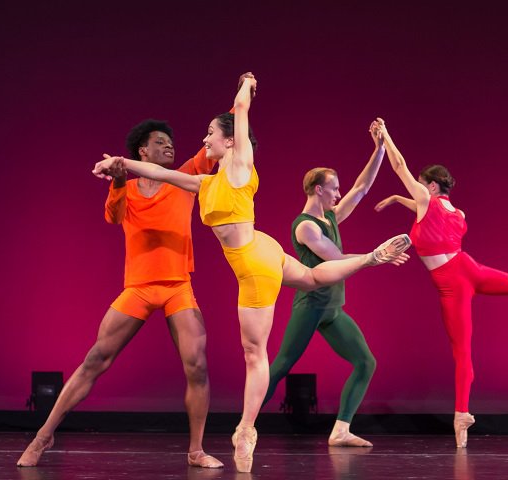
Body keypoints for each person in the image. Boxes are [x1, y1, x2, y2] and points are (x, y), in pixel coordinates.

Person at [92, 74, 411, 472]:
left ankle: (246, 429)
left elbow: (239, 110)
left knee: (256, 356)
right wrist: (118, 164)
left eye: (210, 132)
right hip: (266, 249)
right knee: (311, 279)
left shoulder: (240, 165)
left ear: (230, 141)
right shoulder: (204, 182)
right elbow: (156, 173)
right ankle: (369, 259)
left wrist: (246, 83)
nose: (204, 139)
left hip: (253, 266)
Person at [18, 118, 224, 468]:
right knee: (95, 359)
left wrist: (242, 98)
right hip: (140, 287)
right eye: (160, 142)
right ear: (143, 151)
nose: (169, 146)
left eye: (171, 142)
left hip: (177, 286)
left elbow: (217, 143)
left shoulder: (187, 176)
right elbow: (113, 218)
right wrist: (116, 178)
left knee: (198, 366)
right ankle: (43, 436)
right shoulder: (125, 189)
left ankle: (196, 450)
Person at [373, 118, 508, 449]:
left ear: (431, 187)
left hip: (452, 284)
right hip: (469, 268)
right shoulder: (459, 214)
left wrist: (385, 136)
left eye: (421, 185)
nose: (416, 189)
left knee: (462, 352)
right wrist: (396, 199)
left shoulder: (426, 200)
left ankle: (461, 414)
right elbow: (425, 211)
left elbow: (399, 164)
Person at [263, 121, 396, 447]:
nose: (339, 193)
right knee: (281, 366)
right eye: (334, 188)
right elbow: (335, 259)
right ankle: (244, 422)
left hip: (334, 308)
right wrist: (376, 255)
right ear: (318, 190)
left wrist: (379, 149)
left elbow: (362, 188)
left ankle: (340, 430)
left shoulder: (331, 216)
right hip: (312, 306)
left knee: (366, 362)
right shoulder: (305, 227)